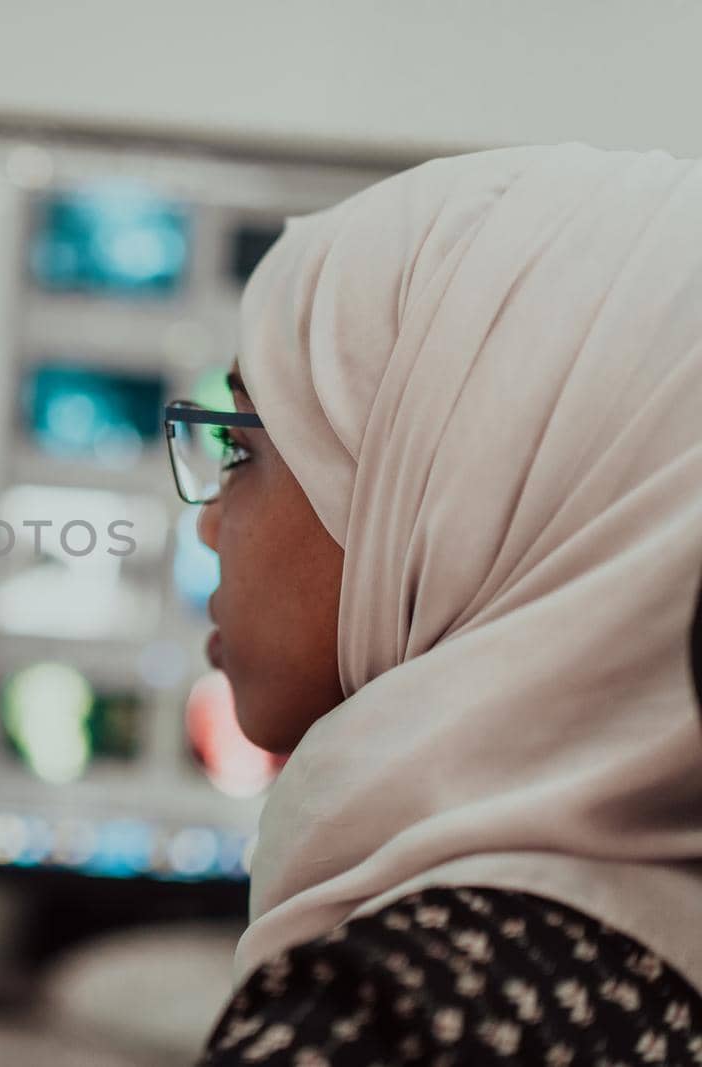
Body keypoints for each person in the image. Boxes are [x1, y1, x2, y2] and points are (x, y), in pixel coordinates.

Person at [173, 144, 702, 1065]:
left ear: (461, 490)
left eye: (240, 449)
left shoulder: (390, 1014)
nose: (211, 526)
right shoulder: (646, 952)